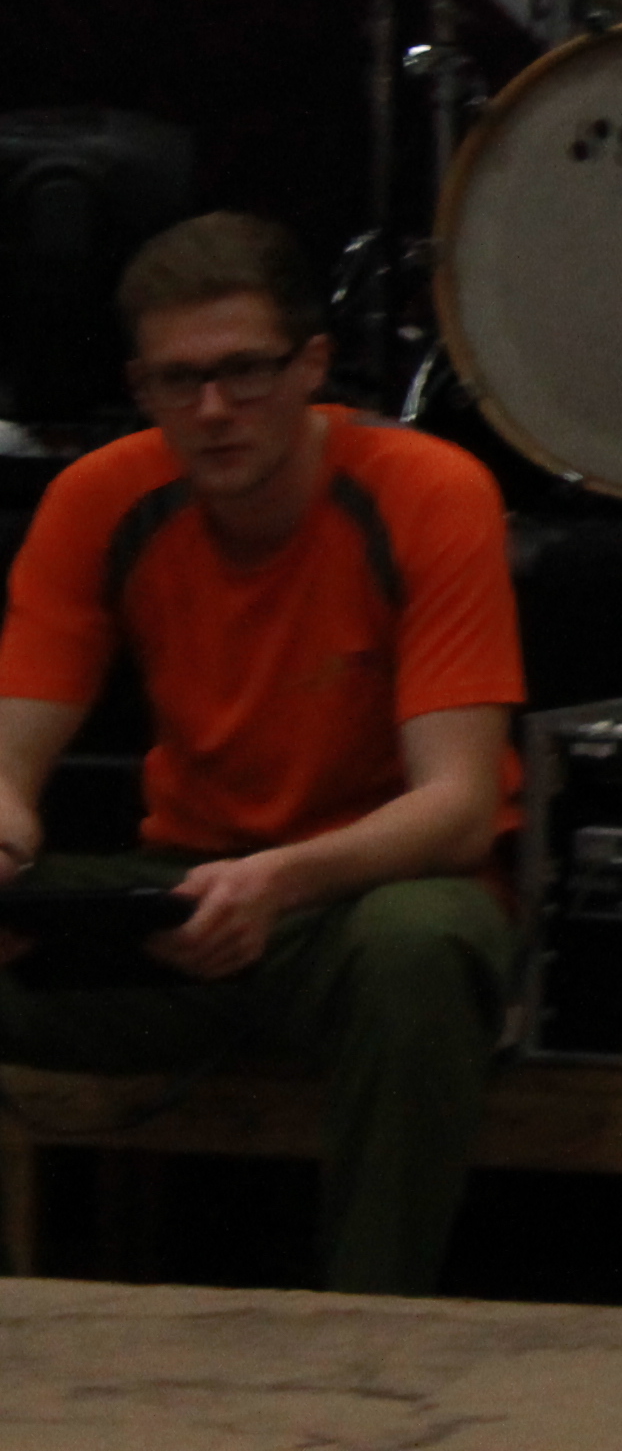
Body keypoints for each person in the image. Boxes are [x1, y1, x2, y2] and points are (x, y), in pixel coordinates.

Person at [0, 212, 524, 1296]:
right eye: (178, 380)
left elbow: (458, 807)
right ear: (141, 388)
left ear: (311, 366)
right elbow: (9, 766)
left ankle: (364, 1336)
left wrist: (278, 880)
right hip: (182, 900)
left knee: (420, 943)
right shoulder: (98, 497)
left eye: (244, 371)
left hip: (364, 898)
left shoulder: (426, 489)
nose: (213, 409)